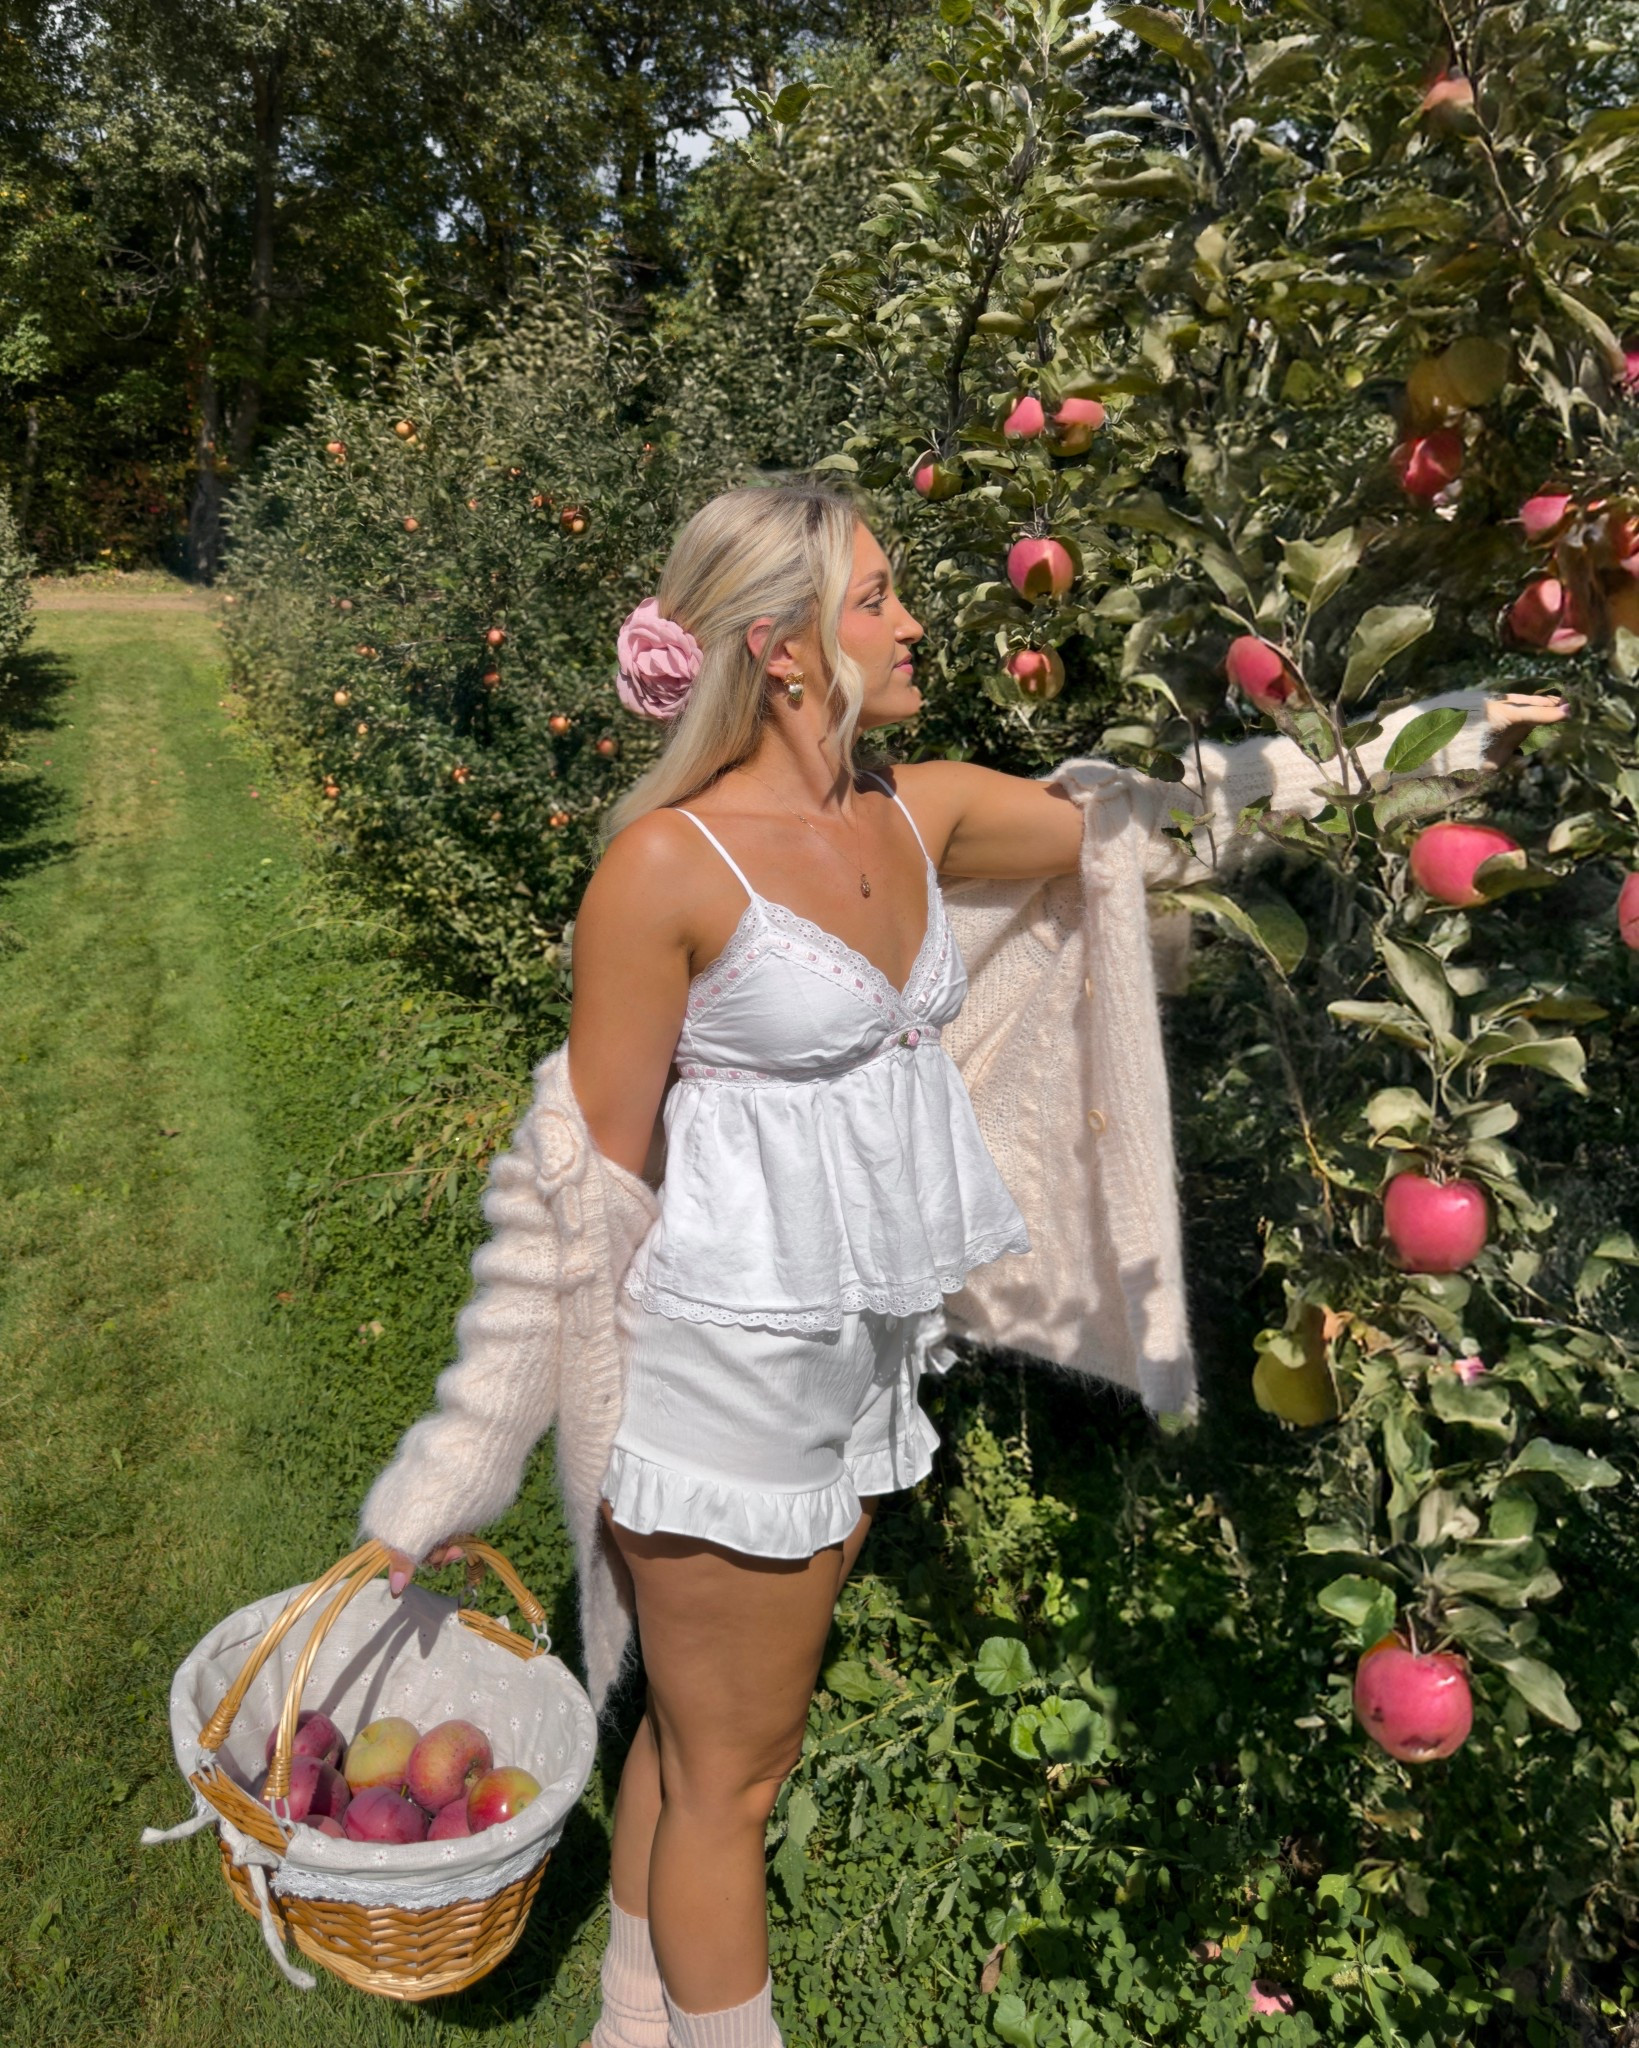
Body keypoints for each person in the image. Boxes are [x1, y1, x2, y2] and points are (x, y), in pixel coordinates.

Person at [365, 482, 1566, 2047]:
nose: (918, 620)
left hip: (865, 1356)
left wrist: (1428, 741)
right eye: (877, 599)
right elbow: (575, 1195)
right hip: (725, 1369)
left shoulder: (916, 811)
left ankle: (629, 2004)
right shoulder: (663, 871)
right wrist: (454, 1468)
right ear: (778, 648)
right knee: (740, 1775)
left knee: (709, 1732)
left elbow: (1165, 818)